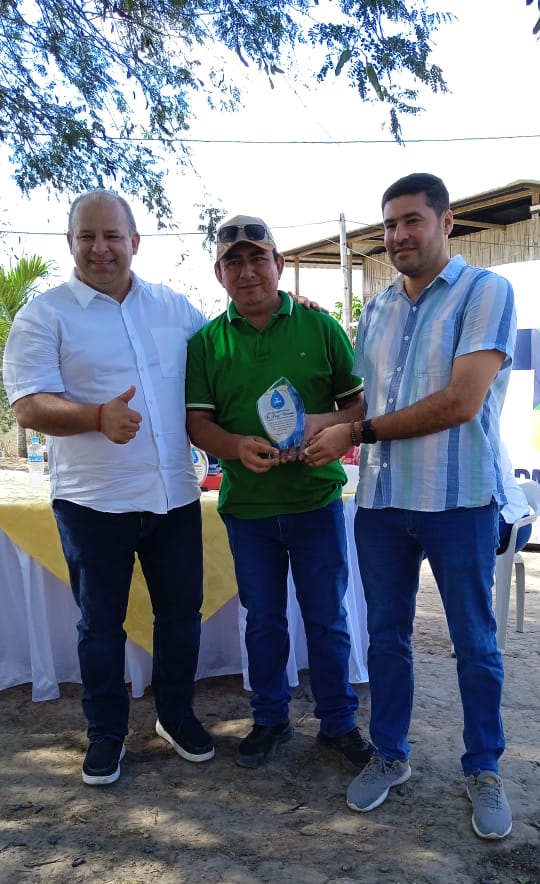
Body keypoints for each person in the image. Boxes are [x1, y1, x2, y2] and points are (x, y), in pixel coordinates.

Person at [305, 173, 518, 839]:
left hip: (460, 499)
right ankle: (390, 755)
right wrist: (309, 428)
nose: (398, 235)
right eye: (389, 225)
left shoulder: (486, 292)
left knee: (474, 642)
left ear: (446, 222)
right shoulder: (377, 309)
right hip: (383, 501)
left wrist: (355, 432)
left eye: (411, 221)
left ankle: (483, 768)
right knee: (387, 638)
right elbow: (369, 404)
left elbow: (461, 402)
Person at [2, 189, 215, 786]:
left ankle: (175, 715)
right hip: (92, 502)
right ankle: (106, 732)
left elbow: (224, 356)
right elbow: (29, 404)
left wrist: (284, 310)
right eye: (87, 237)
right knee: (100, 626)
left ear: (134, 242)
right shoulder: (43, 316)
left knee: (181, 617)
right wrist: (96, 417)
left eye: (112, 236)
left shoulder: (175, 309)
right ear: (70, 243)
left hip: (173, 496)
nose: (101, 248)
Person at [185, 214, 373, 770]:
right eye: (233, 263)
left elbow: (357, 406)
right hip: (249, 510)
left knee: (327, 617)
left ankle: (338, 723)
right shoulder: (207, 343)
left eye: (257, 258)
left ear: (279, 264)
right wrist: (236, 446)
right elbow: (198, 424)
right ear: (219, 274)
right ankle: (270, 719)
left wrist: (324, 426)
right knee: (263, 620)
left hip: (316, 502)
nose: (247, 272)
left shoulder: (321, 328)